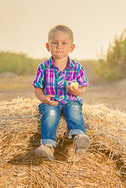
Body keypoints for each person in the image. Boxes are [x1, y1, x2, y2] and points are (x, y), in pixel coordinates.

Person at [33, 24, 90, 160]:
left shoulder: (77, 67)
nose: (59, 46)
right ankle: (48, 146)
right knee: (50, 114)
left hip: (71, 100)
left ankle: (79, 137)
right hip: (51, 101)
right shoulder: (43, 67)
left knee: (75, 111)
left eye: (64, 43)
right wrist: (45, 100)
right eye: (55, 43)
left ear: (72, 47)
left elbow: (82, 88)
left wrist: (76, 91)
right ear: (48, 46)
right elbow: (37, 88)